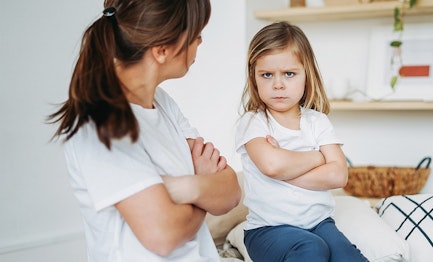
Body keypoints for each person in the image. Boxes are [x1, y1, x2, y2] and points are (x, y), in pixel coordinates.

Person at [48, 0, 241, 261]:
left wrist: (180, 188)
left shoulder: (161, 102)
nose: (200, 42)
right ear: (161, 50)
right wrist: (203, 192)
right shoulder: (99, 124)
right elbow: (163, 236)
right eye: (196, 34)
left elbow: (230, 192)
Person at [234, 21, 368, 262]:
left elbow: (338, 176)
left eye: (289, 73)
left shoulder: (317, 121)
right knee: (311, 248)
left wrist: (287, 167)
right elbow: (273, 166)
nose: (278, 84)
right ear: (254, 78)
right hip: (267, 230)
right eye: (267, 75)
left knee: (348, 257)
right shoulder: (253, 122)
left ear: (307, 74)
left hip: (319, 223)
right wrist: (318, 158)